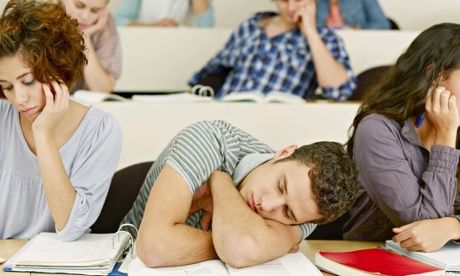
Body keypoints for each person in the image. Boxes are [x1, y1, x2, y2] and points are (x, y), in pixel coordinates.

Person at [121, 119, 359, 268]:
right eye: (280, 185)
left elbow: (241, 248)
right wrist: (245, 245)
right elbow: (154, 248)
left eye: (287, 212)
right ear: (285, 152)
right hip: (124, 264)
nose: (267, 205)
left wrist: (219, 181)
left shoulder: (306, 209)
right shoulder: (209, 141)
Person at [0, 0, 123, 241]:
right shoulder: (4, 117)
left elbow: (70, 228)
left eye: (28, 81)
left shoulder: (101, 130)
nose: (19, 98)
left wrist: (43, 134)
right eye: (6, 87)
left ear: (58, 67)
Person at [343, 23, 460, 252]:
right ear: (435, 76)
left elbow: (439, 229)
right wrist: (446, 137)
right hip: (373, 260)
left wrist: (454, 226)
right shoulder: (377, 130)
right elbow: (423, 228)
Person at [188, 0, 356, 101]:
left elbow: (339, 92)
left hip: (278, 120)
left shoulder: (326, 39)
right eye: (284, 1)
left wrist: (311, 33)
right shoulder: (251, 26)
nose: (290, 7)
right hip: (228, 108)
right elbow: (207, 73)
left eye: (298, 0)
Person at [61, 0, 122, 94]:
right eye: (79, 6)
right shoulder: (42, 20)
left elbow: (102, 90)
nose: (85, 16)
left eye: (95, 10)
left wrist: (85, 38)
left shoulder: (105, 25)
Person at [114, 0, 214, 28]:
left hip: (179, 43)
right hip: (144, 42)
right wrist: (152, 27)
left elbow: (206, 26)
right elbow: (118, 21)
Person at [316, 0, 390, 30]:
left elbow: (383, 24)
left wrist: (357, 28)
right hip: (323, 48)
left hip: (359, 44)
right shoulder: (313, 3)